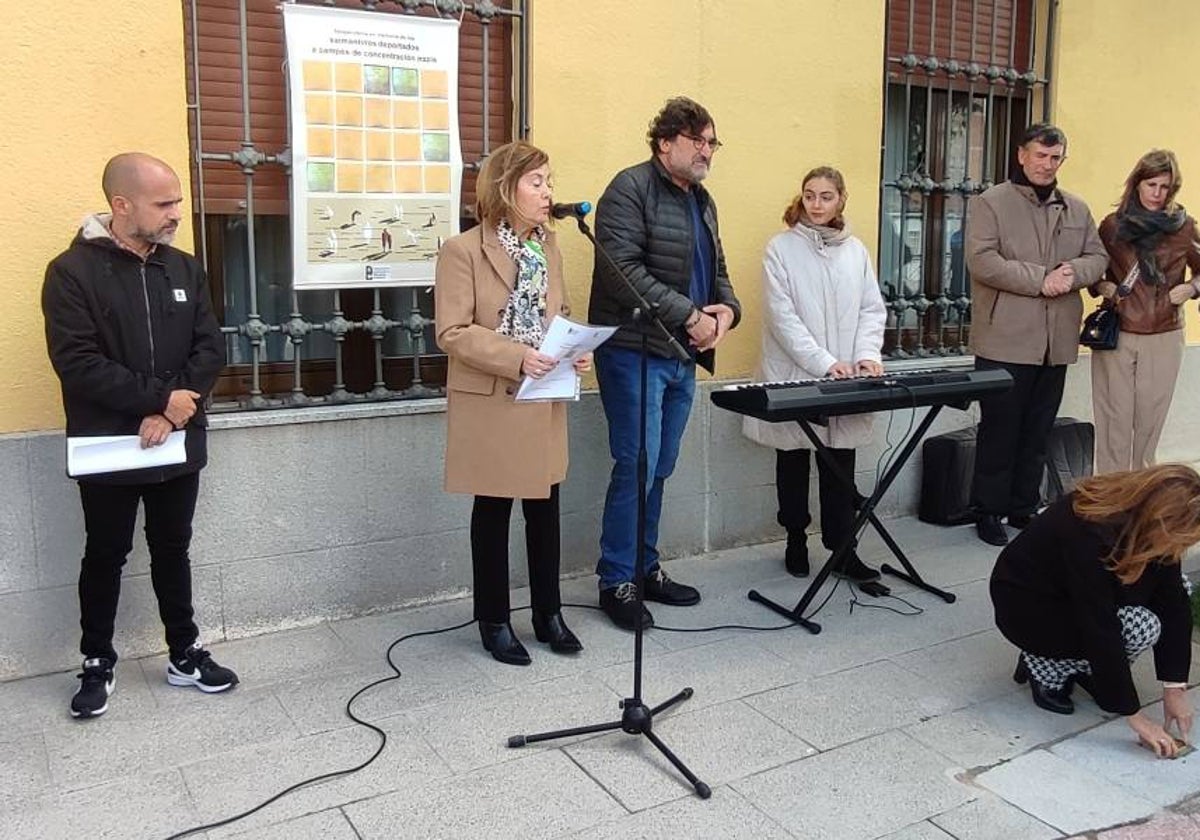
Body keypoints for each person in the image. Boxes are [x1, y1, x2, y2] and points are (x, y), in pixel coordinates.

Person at [41, 152, 237, 719]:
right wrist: (156, 400)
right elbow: (77, 361)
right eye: (164, 203)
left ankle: (184, 651)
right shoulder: (71, 272)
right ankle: (97, 660)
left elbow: (209, 348)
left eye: (177, 200)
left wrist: (173, 413)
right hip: (110, 443)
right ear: (121, 205)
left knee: (173, 547)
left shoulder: (184, 268)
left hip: (177, 437)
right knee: (105, 552)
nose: (177, 212)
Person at [434, 140, 590, 666]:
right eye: (537, 182)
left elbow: (559, 312)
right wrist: (518, 356)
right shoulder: (463, 251)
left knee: (546, 506)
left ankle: (549, 614)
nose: (549, 192)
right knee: (494, 508)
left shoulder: (548, 247)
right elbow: (452, 332)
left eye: (550, 181)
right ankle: (495, 621)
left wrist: (573, 351)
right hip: (494, 394)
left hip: (542, 393)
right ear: (506, 187)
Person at [588, 96, 742, 630]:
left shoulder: (703, 200)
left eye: (712, 142)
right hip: (636, 351)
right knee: (637, 463)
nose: (707, 151)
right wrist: (690, 315)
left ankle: (645, 565)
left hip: (683, 354)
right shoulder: (629, 189)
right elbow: (620, 271)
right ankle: (617, 580)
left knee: (661, 465)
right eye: (698, 140)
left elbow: (716, 269)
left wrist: (727, 312)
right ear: (664, 143)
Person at [965, 123, 1108, 547]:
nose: (1047, 164)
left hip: (1055, 341)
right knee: (999, 430)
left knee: (1037, 429)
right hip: (1005, 337)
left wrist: (1073, 275)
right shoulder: (991, 202)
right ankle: (987, 510)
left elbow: (1098, 257)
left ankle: (1023, 507)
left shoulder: (1076, 208)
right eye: (1040, 155)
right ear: (1022, 155)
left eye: (1055, 157)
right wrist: (1040, 279)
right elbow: (981, 260)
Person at [990, 464, 1195, 757]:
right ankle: (1043, 666)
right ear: (1161, 521)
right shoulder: (1089, 528)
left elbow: (1172, 600)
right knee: (1139, 625)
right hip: (1029, 606)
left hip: (1076, 595)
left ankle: (1090, 669)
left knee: (1179, 589)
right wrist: (1135, 717)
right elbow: (1098, 623)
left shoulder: (1144, 521)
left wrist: (1175, 688)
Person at [742, 167, 886, 582]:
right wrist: (823, 362)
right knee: (793, 459)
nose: (817, 204)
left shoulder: (855, 250)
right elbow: (782, 317)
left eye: (826, 196)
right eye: (810, 196)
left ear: (841, 199)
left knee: (840, 462)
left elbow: (870, 309)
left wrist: (866, 356)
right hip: (797, 371)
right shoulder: (780, 249)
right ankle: (795, 538)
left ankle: (843, 547)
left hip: (846, 375)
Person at [1091, 150, 1200, 475]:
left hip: (1164, 334)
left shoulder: (1183, 227)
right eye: (1150, 183)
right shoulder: (1112, 226)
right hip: (1118, 333)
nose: (1157, 193)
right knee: (1114, 419)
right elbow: (1091, 266)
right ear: (1137, 183)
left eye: (1164, 186)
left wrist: (1192, 288)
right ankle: (1110, 494)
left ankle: (1140, 492)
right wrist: (1101, 286)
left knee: (1149, 422)